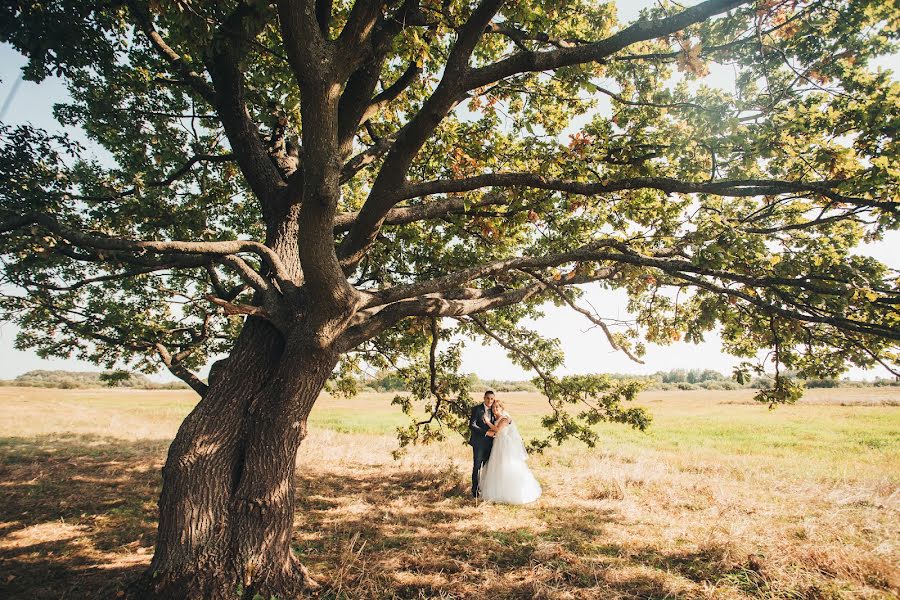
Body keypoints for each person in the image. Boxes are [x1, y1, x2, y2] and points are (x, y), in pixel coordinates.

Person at [478, 399, 542, 505]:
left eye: (497, 407)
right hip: (497, 443)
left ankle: (511, 492)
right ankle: (497, 490)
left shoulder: (505, 418)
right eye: (493, 407)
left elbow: (497, 430)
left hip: (504, 444)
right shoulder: (497, 418)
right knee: (497, 466)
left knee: (507, 465)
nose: (494, 409)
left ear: (502, 408)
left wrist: (487, 422)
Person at [468, 390, 496, 498]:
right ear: (484, 398)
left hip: (491, 444)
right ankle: (475, 491)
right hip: (479, 443)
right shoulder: (477, 409)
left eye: (492, 399)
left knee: (488, 467)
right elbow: (472, 425)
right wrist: (485, 432)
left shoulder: (494, 409)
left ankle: (485, 489)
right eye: (488, 398)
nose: (490, 401)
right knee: (477, 467)